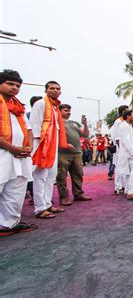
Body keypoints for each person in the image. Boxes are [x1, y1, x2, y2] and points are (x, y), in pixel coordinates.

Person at [0, 70, 39, 236]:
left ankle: (9, 223)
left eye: (17, 85)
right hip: (4, 152)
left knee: (16, 189)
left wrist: (28, 147)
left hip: (20, 155)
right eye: (10, 84)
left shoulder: (18, 108)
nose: (14, 88)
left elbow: (28, 130)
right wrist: (12, 148)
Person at [30, 80, 73, 219]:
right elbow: (35, 127)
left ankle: (48, 204)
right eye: (52, 88)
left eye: (57, 88)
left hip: (52, 146)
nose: (55, 90)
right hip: (41, 145)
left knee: (51, 176)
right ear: (46, 90)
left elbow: (56, 129)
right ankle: (40, 208)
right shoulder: (40, 104)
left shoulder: (55, 108)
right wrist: (37, 147)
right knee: (40, 176)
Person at [56, 104, 92, 206]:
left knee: (78, 174)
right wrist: (65, 145)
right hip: (63, 153)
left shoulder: (74, 123)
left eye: (69, 111)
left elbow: (85, 134)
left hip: (77, 153)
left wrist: (85, 124)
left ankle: (78, 194)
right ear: (60, 111)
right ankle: (64, 197)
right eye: (66, 110)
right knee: (61, 176)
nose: (68, 112)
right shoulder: (56, 122)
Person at [116, 110, 133, 201]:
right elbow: (126, 142)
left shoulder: (127, 126)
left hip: (129, 154)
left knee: (129, 173)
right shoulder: (124, 126)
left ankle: (130, 190)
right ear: (128, 116)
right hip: (130, 154)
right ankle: (131, 192)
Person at [109, 105, 129, 193]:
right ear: (122, 112)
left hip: (124, 148)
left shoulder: (125, 122)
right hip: (119, 148)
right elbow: (115, 136)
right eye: (126, 111)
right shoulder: (118, 121)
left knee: (124, 166)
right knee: (118, 167)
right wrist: (120, 148)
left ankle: (124, 185)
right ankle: (118, 187)